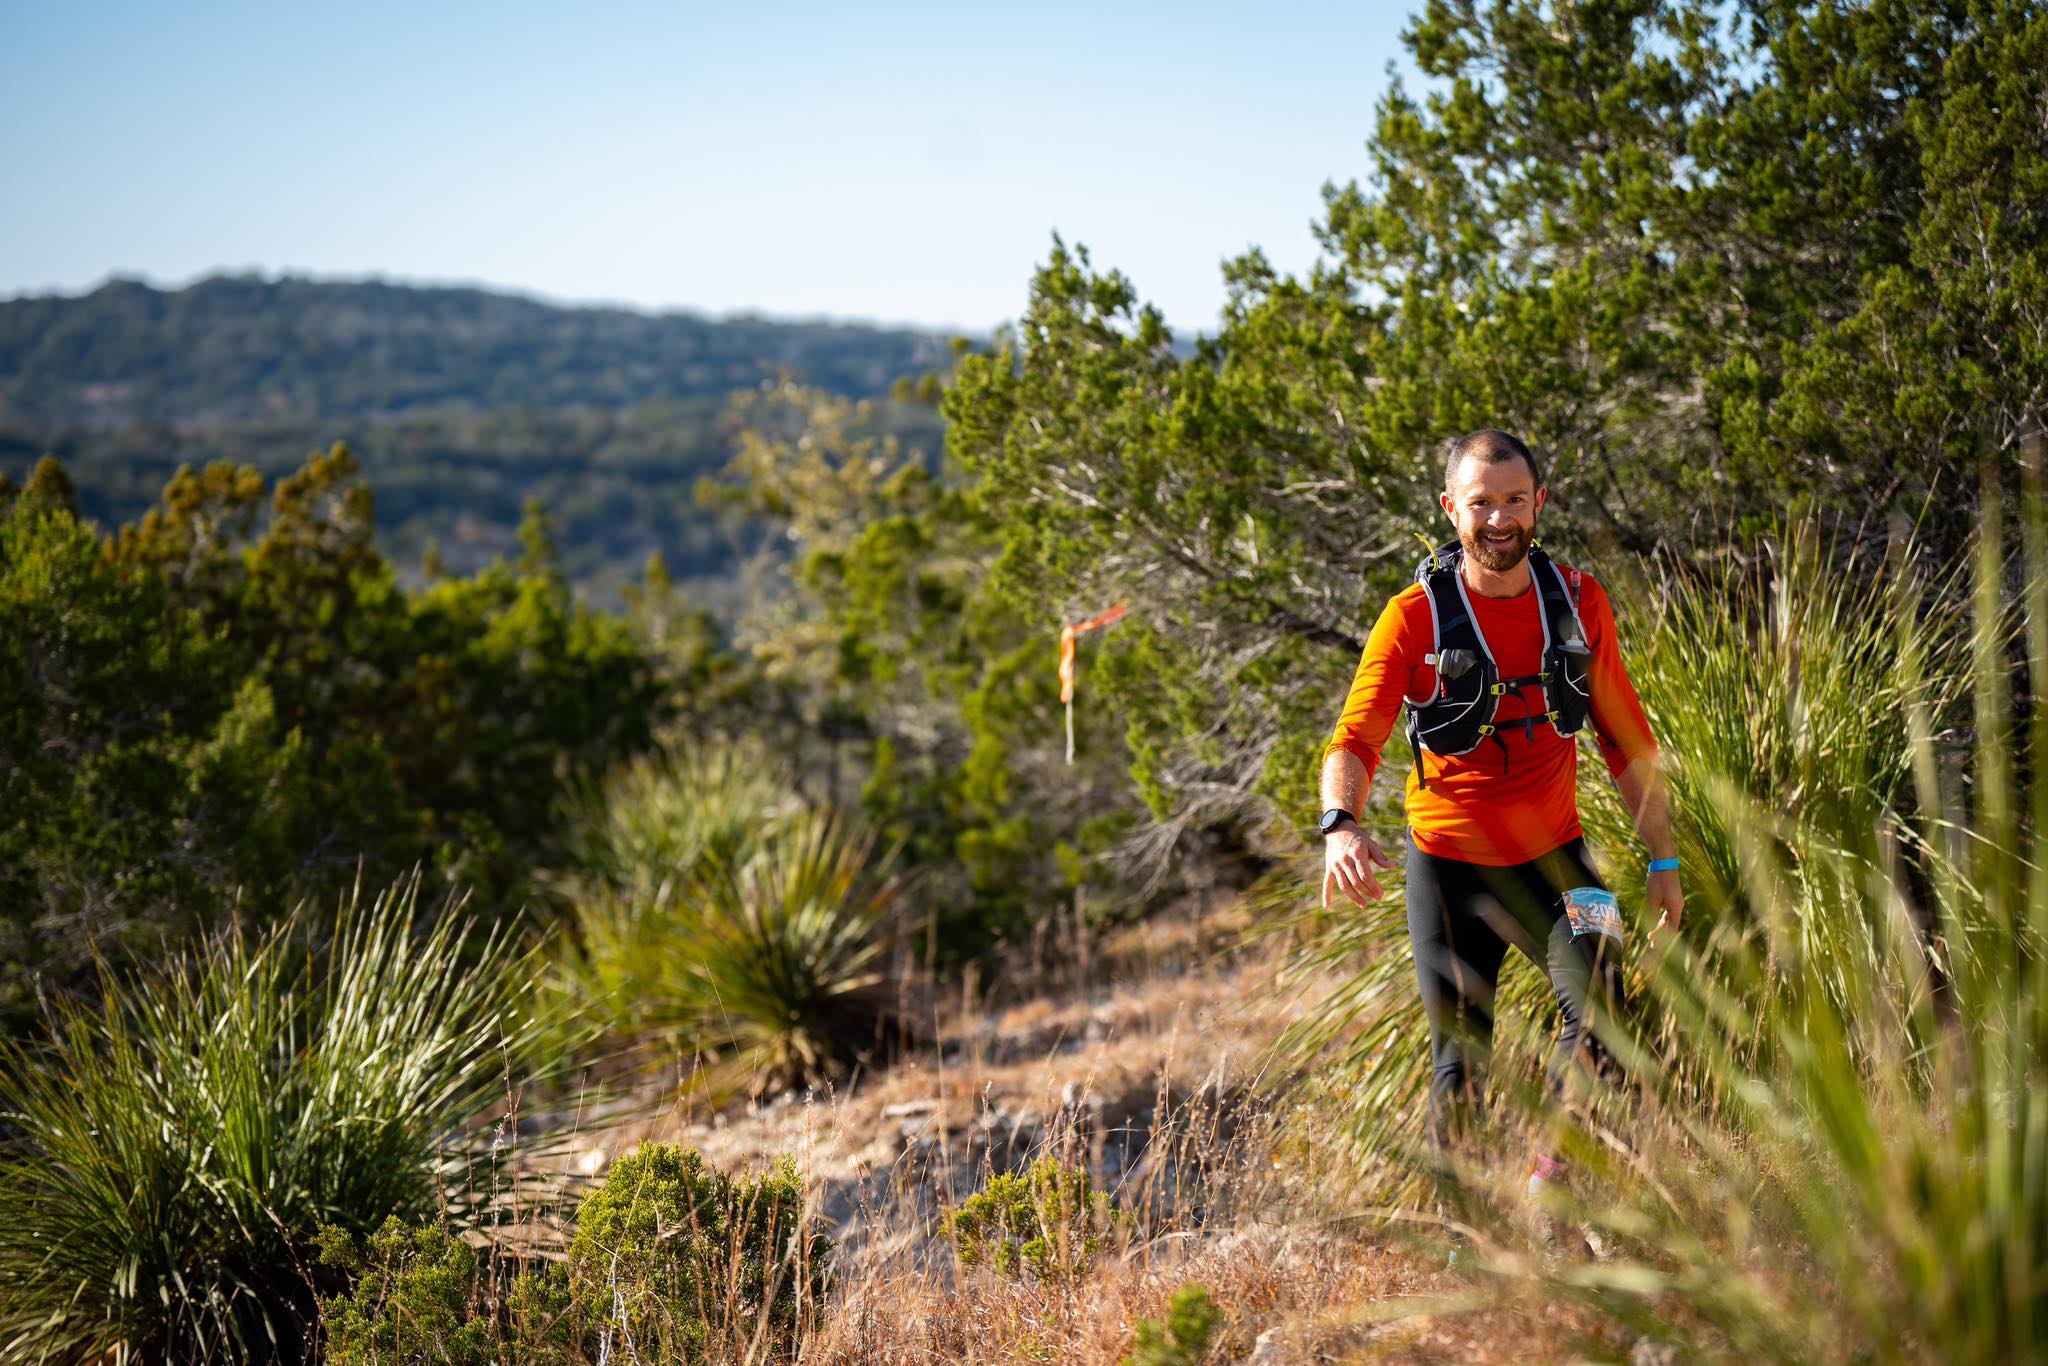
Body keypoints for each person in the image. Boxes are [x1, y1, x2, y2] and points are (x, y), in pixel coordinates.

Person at [1316, 428, 1681, 1254]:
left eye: (1515, 500)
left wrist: (1663, 858)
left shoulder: (1579, 602)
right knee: (1462, 1061)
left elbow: (1627, 741)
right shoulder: (1415, 617)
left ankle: (1551, 1181)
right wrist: (1341, 824)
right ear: (1452, 509)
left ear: (1539, 503)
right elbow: (1356, 737)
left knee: (1605, 1012)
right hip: (1448, 871)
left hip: (1562, 865)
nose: (1499, 518)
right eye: (1481, 502)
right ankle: (1465, 1245)